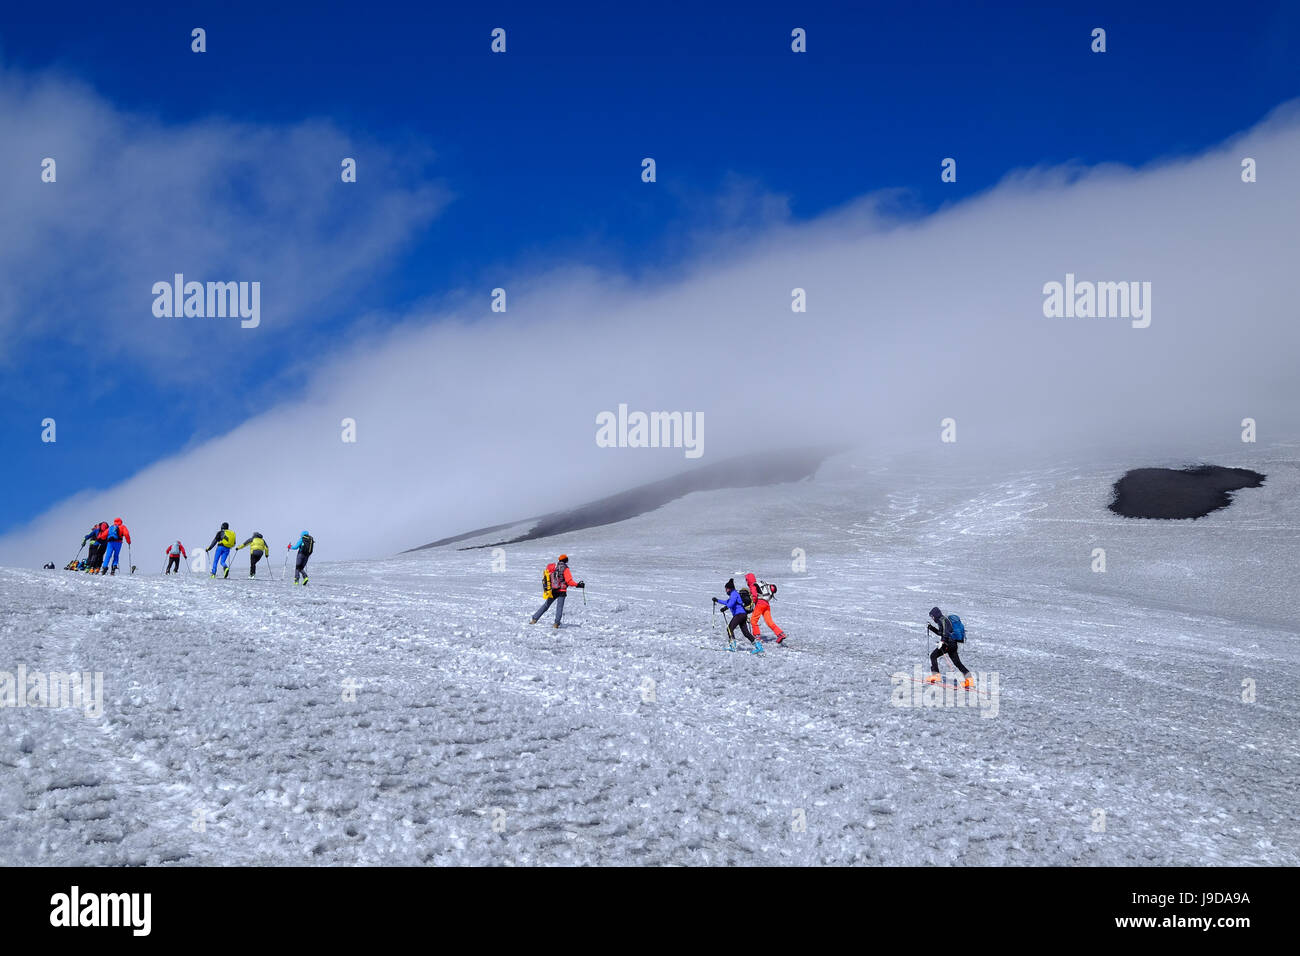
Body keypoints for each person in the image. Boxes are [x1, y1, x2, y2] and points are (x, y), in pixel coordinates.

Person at [530, 554, 584, 627]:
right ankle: (556, 623)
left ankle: (534, 619)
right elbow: (569, 581)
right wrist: (577, 585)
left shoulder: (554, 567)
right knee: (559, 607)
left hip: (553, 590)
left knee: (546, 605)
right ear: (566, 560)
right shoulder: (565, 568)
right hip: (562, 591)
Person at [926, 606, 972, 688]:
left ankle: (936, 676)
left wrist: (942, 641)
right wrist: (931, 627)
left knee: (933, 656)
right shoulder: (943, 620)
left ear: (936, 615)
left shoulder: (942, 620)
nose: (932, 618)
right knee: (958, 663)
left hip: (948, 644)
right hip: (953, 644)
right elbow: (941, 632)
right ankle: (969, 680)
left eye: (932, 616)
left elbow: (945, 633)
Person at [714, 578, 762, 653]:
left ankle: (732, 646)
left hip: (739, 614)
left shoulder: (734, 594)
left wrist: (725, 608)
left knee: (730, 629)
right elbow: (727, 602)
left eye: (726, 589)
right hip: (743, 615)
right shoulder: (733, 595)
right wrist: (717, 600)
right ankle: (759, 647)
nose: (726, 590)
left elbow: (731, 603)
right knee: (746, 633)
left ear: (729, 588)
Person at [745, 572, 786, 644]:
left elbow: (754, 596)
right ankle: (780, 634)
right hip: (766, 604)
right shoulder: (760, 584)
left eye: (746, 580)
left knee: (753, 620)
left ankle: (757, 637)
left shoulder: (753, 585)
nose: (746, 581)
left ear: (749, 580)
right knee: (769, 622)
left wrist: (751, 604)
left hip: (760, 604)